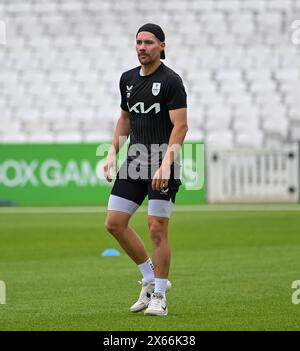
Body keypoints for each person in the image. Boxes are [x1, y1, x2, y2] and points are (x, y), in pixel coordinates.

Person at [104, 23, 188, 316]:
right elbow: (125, 117)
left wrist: (167, 164)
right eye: (138, 42)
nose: (142, 47)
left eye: (149, 42)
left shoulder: (171, 81)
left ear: (162, 46)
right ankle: (150, 279)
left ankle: (161, 297)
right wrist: (112, 152)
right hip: (135, 161)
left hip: (162, 162)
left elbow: (181, 126)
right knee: (114, 222)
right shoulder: (127, 79)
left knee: (156, 228)